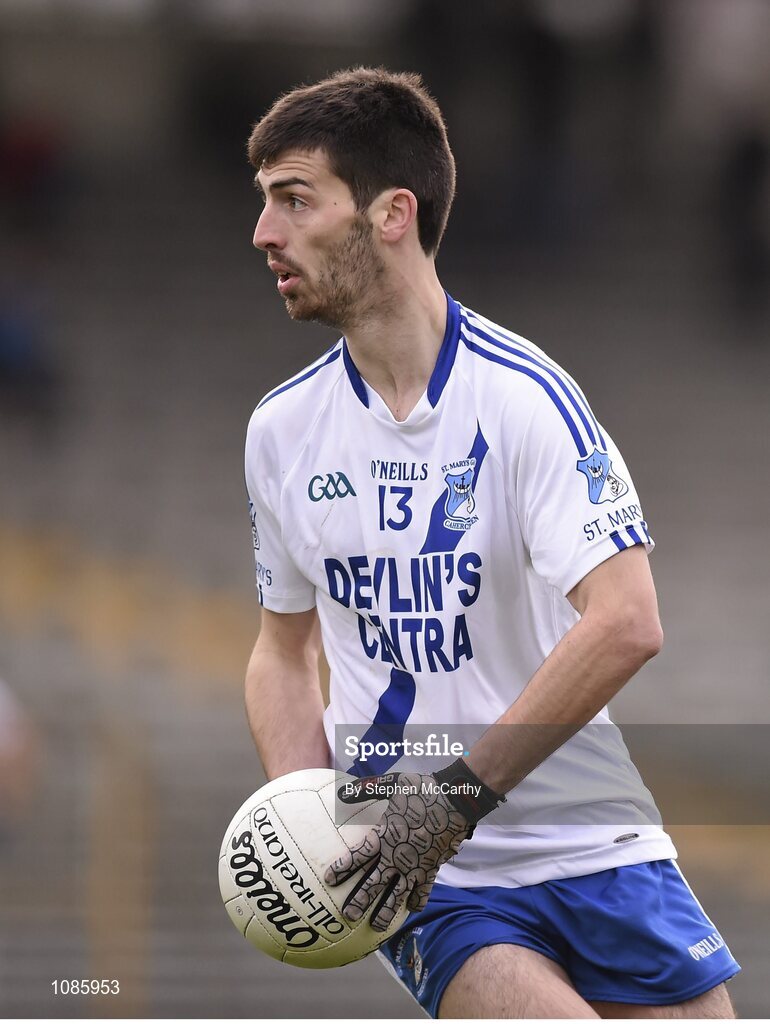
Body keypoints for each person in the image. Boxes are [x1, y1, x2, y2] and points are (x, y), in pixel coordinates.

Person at [242, 67, 740, 1019]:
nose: (265, 233)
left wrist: (451, 805)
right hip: (431, 882)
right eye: (265, 204)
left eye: (294, 200)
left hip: (599, 846)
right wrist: (309, 815)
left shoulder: (524, 401)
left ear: (393, 213)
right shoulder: (281, 432)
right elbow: (281, 650)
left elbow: (627, 622)